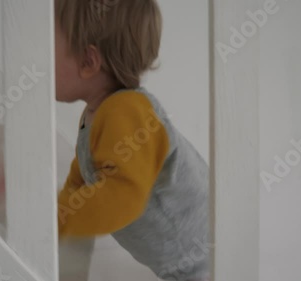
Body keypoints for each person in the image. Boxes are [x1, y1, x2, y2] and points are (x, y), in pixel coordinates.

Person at [55, 1, 211, 280]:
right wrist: (50, 211)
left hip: (204, 257)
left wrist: (57, 221)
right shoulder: (94, 117)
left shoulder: (126, 112)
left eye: (48, 46)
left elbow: (122, 196)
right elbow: (79, 183)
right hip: (178, 264)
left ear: (89, 62)